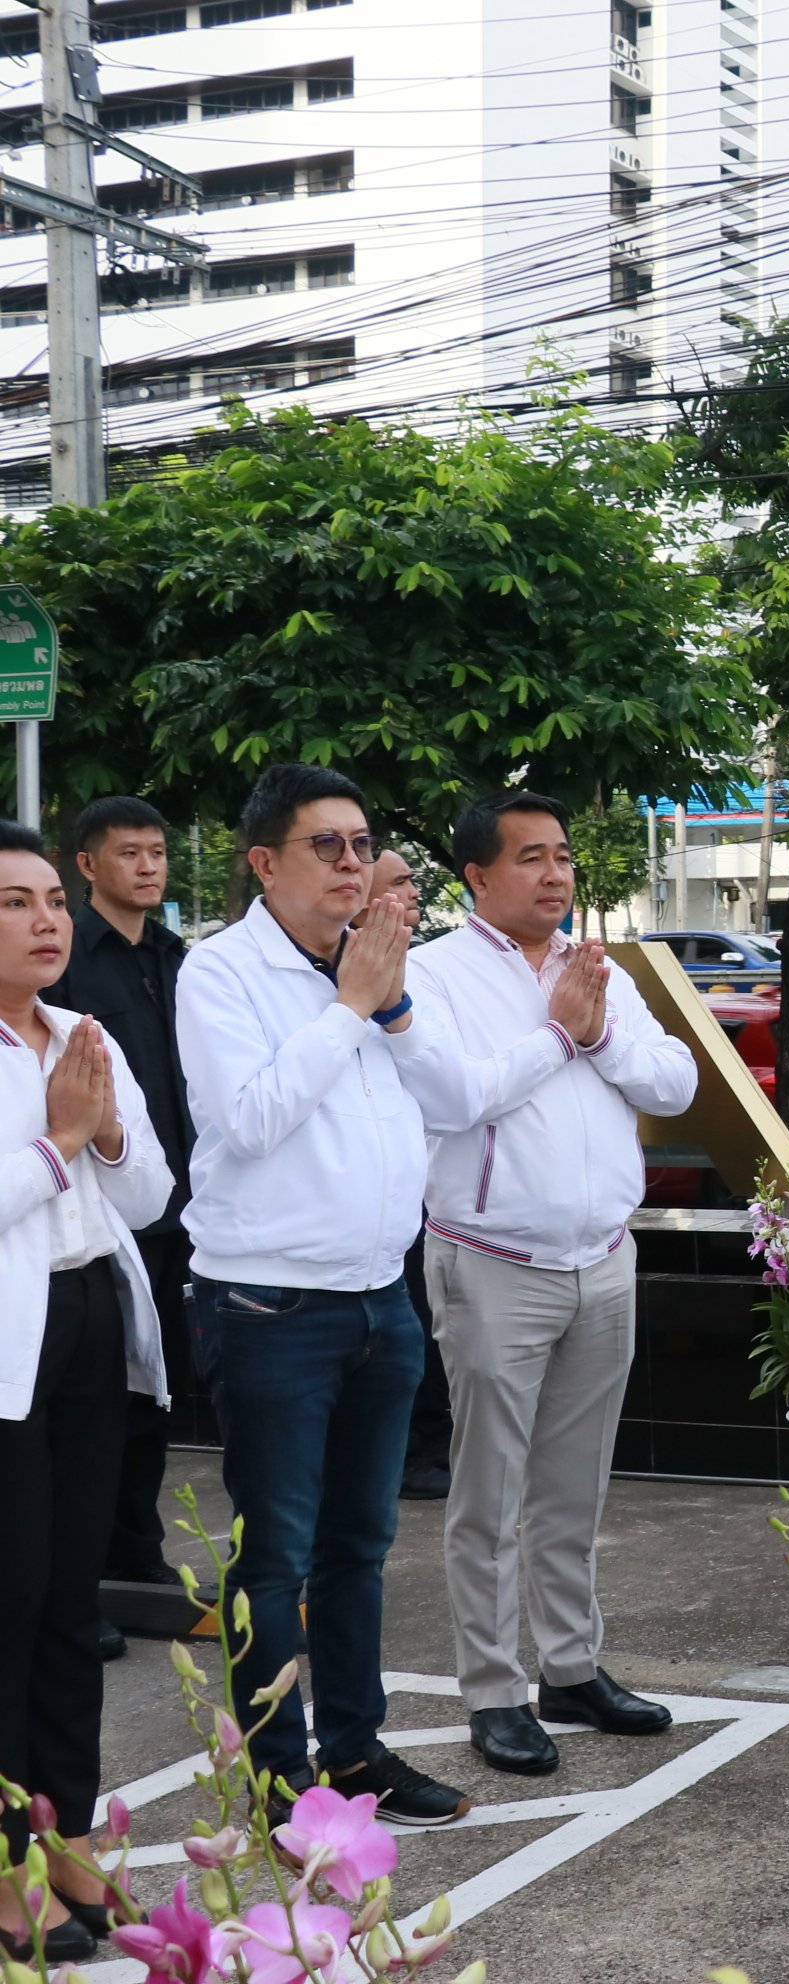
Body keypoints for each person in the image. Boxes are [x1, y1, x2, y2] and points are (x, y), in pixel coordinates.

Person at [178, 765, 473, 1825]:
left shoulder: (376, 968)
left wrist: (387, 1008)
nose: (355, 865)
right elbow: (250, 1119)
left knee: (361, 1544)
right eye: (328, 848)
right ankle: (278, 1769)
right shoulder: (220, 973)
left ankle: (354, 1749)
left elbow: (458, 1099)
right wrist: (349, 1009)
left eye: (362, 845)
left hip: (377, 1298)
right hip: (270, 1308)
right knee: (277, 1553)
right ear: (265, 862)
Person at [407, 792, 694, 1777]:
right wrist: (561, 1037)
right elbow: (451, 1096)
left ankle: (571, 1665)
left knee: (575, 1487)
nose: (556, 873)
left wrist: (599, 1027)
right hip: (494, 1263)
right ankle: (495, 1689)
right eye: (530, 857)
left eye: (562, 855)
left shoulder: (593, 965)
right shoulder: (430, 974)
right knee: (489, 1492)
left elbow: (674, 1083)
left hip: (602, 1259)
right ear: (477, 877)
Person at [0, 821, 173, 1965]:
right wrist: (63, 1141)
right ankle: (8, 1866)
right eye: (17, 903)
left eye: (53, 899)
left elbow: (154, 1195)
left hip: (89, 1324)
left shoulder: (81, 1032)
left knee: (72, 1608)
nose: (48, 920)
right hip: (6, 1353)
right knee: (5, 1615)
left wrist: (104, 1133)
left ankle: (61, 1837)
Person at [46, 797, 192, 1641]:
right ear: (88, 865)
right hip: (88, 1213)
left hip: (171, 1203)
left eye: (158, 851)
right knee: (85, 1407)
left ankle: (134, 1549)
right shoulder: (68, 971)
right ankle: (82, 1575)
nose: (148, 866)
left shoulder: (178, 958)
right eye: (129, 853)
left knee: (155, 1395)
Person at [366, 850, 453, 1503]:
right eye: (398, 883)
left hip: (424, 1188)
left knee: (425, 1327)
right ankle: (409, 1455)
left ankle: (426, 1448)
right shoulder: (350, 983)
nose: (413, 891)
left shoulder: (420, 971)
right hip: (377, 1198)